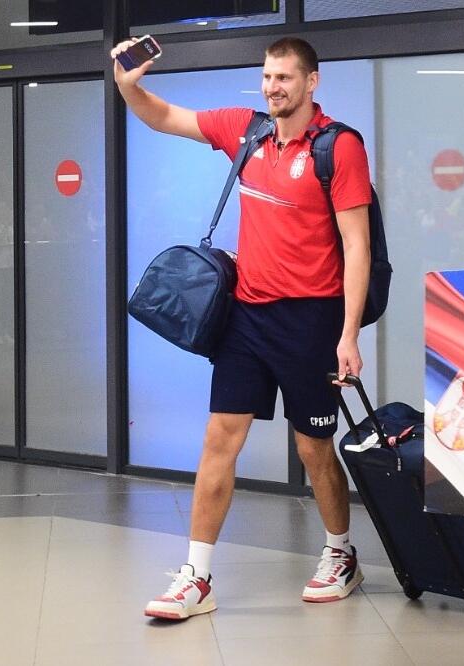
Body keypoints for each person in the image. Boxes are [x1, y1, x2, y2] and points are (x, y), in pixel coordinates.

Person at [110, 36, 372, 620]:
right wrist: (130, 84)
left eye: (285, 77)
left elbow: (357, 246)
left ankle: (340, 554)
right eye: (267, 77)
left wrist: (348, 333)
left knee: (314, 448)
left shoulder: (339, 147)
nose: (273, 87)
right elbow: (163, 117)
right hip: (247, 315)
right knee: (219, 438)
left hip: (311, 319)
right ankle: (197, 577)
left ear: (312, 83)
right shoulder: (244, 131)